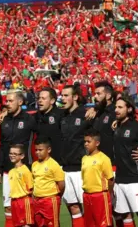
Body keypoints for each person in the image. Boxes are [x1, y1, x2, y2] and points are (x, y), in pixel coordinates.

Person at [0, 90, 37, 227]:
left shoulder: (30, 119)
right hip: (7, 170)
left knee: (26, 205)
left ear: (20, 102)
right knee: (7, 206)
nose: (7, 103)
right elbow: (2, 146)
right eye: (6, 101)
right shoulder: (4, 120)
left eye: (10, 101)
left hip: (24, 169)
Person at [113, 95, 138, 227]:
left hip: (135, 177)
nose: (116, 110)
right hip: (120, 178)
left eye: (120, 107)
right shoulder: (116, 126)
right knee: (125, 214)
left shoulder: (137, 127)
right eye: (116, 107)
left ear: (129, 109)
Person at [59, 85, 91, 227]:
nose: (63, 98)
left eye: (66, 95)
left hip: (81, 168)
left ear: (75, 97)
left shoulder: (86, 114)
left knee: (89, 207)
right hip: (65, 168)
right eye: (62, 96)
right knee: (73, 207)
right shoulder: (62, 116)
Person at [81, 129, 114, 227]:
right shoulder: (84, 158)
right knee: (90, 224)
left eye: (89, 141)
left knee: (103, 223)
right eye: (85, 141)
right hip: (87, 195)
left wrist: (109, 194)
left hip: (100, 195)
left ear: (97, 143)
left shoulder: (104, 159)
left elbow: (110, 180)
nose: (86, 144)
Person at [32, 139, 65, 227]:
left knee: (52, 224)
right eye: (36, 150)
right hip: (37, 201)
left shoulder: (54, 165)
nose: (37, 152)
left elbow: (61, 184)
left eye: (40, 150)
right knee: (38, 224)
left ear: (48, 150)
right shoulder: (34, 164)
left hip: (50, 200)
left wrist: (57, 196)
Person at [35, 87, 64, 163]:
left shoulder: (61, 115)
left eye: (43, 98)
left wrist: (94, 109)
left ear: (52, 101)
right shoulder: (36, 116)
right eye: (39, 98)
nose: (40, 101)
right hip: (42, 162)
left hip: (58, 163)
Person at [8, 144, 34, 227]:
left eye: (14, 154)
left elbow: (32, 189)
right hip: (14, 202)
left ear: (22, 156)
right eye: (10, 153)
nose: (12, 155)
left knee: (26, 225)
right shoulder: (11, 171)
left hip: (24, 201)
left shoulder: (25, 170)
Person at [91, 81, 116, 164]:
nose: (95, 96)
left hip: (111, 163)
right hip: (96, 162)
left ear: (108, 96)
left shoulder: (115, 112)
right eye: (95, 94)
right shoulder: (97, 112)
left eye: (98, 94)